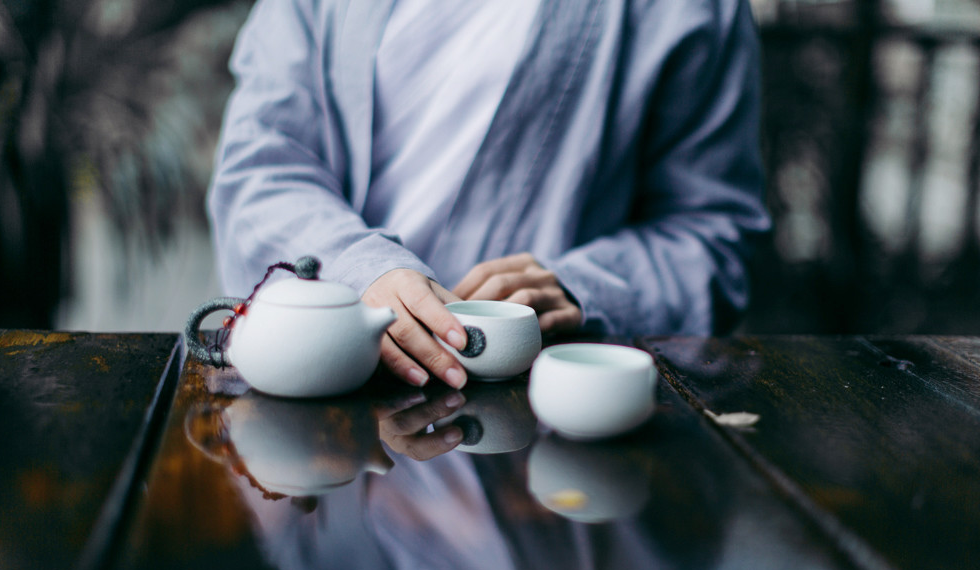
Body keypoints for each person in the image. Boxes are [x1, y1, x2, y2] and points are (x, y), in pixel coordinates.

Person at [207, 0, 770, 390]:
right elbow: (262, 164)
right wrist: (360, 271)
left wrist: (586, 288)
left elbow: (712, 229)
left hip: (543, 412)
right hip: (330, 388)